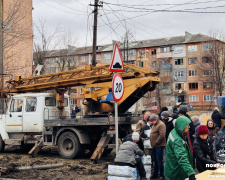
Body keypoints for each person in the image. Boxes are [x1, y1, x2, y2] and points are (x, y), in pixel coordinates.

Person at [149, 115, 166, 180]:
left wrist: (156, 142)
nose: (151, 123)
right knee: (155, 160)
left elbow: (162, 135)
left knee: (159, 160)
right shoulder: (155, 125)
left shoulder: (161, 125)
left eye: (152, 121)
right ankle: (155, 174)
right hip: (154, 146)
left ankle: (162, 175)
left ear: (155, 120)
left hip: (159, 145)